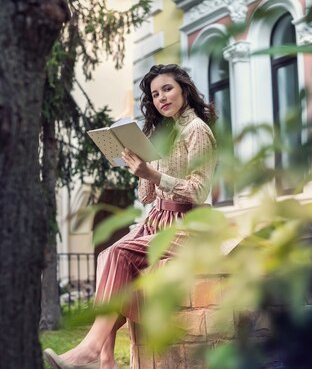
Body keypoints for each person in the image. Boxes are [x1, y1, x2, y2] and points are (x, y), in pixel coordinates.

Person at [44, 64, 217, 369]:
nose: (161, 97)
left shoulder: (197, 130)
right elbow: (147, 197)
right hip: (157, 220)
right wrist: (139, 164)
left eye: (167, 88)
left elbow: (199, 190)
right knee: (106, 256)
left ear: (184, 90)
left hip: (189, 225)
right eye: (155, 94)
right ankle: (106, 359)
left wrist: (151, 171)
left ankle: (92, 349)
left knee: (120, 253)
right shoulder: (163, 132)